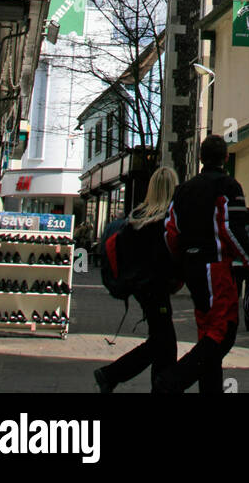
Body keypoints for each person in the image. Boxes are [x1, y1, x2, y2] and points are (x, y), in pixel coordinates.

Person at [156, 135, 249, 393]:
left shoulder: (183, 190)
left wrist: (180, 264)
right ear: (226, 158)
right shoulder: (228, 186)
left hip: (191, 267)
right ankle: (171, 380)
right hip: (216, 266)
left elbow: (170, 232)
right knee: (224, 332)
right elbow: (233, 230)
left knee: (207, 331)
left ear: (200, 158)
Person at [94, 166, 179, 394]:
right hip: (154, 287)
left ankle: (159, 387)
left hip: (140, 288)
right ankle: (111, 374)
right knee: (162, 342)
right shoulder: (163, 220)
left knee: (164, 342)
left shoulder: (137, 217)